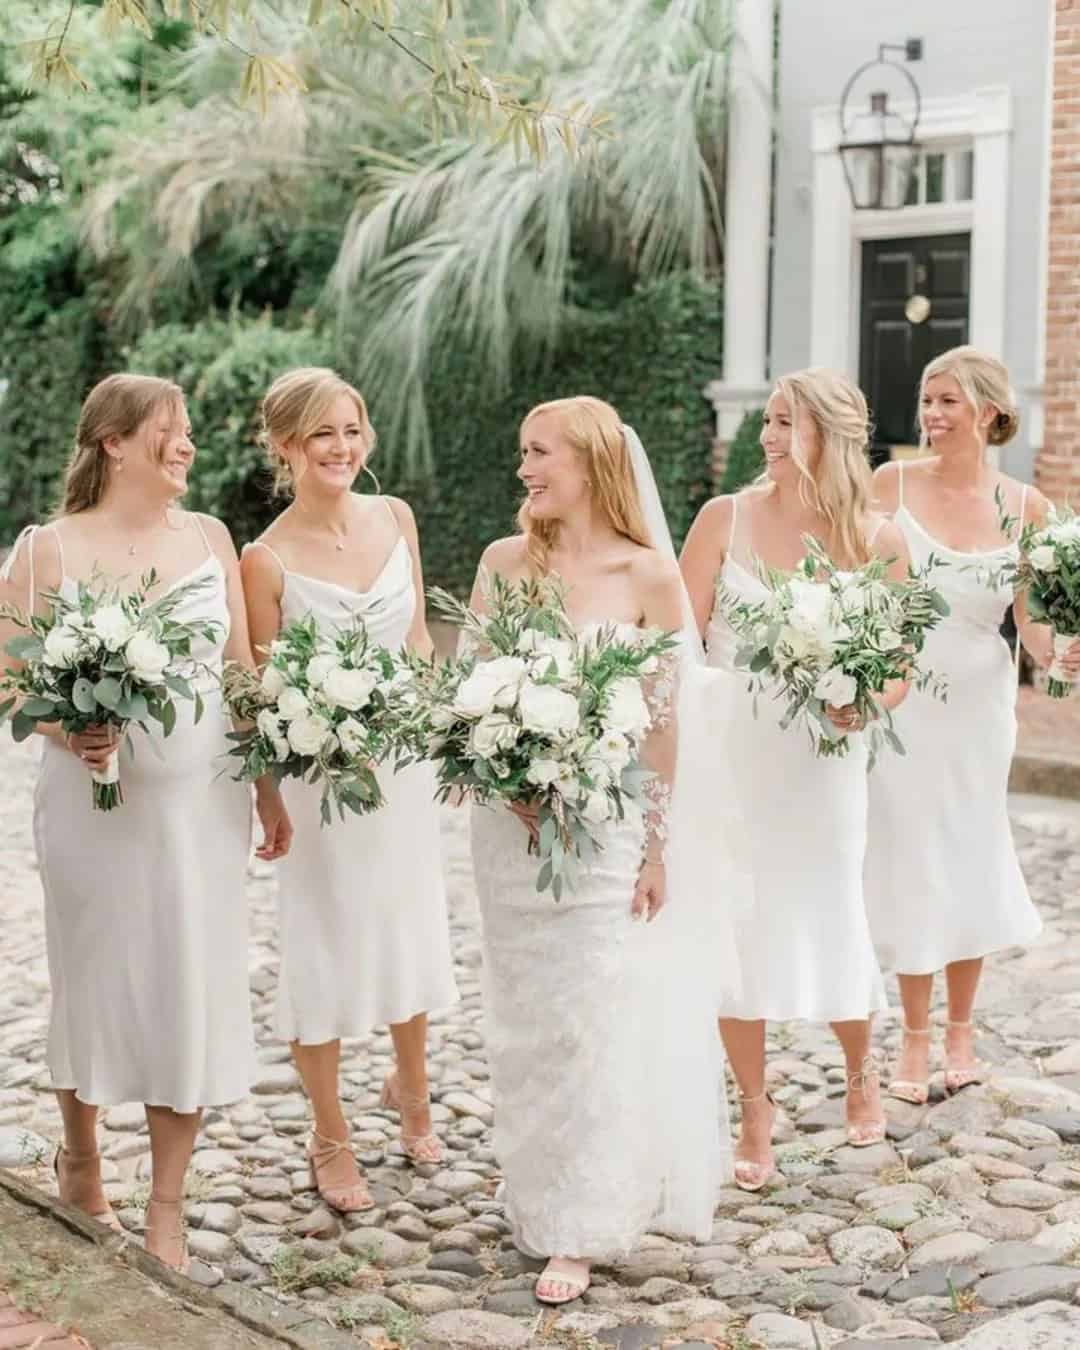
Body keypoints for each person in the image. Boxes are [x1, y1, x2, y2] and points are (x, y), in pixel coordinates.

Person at [0, 373, 291, 1271]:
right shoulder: (47, 552)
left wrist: (270, 788)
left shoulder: (210, 538)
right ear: (113, 442)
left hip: (201, 807)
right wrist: (67, 724)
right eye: (171, 427)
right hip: (92, 812)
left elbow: (241, 672)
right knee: (91, 974)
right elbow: (11, 683)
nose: (188, 442)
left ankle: (166, 1206)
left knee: (189, 984)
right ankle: (82, 1155)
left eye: (190, 428)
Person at [468, 395, 731, 1305]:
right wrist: (508, 780)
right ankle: (536, 1184)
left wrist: (655, 847)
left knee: (594, 1012)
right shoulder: (503, 565)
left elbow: (662, 728)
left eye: (539, 453)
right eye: (522, 453)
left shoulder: (650, 577)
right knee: (527, 1016)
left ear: (588, 463)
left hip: (609, 830)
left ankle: (582, 1220)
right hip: (513, 831)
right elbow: (470, 695)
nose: (525, 469)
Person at [681, 368, 908, 1189]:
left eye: (786, 423)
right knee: (737, 925)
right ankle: (754, 1107)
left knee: (831, 907)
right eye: (768, 422)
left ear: (831, 437)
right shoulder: (723, 519)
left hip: (823, 764)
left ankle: (860, 1072)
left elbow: (898, 665)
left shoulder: (877, 540)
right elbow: (677, 638)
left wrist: (866, 701)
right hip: (734, 759)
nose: (769, 437)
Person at [240, 367, 458, 1211]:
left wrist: (442, 729)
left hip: (399, 766)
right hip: (320, 777)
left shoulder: (395, 517)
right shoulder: (264, 559)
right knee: (324, 940)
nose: (341, 448)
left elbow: (416, 640)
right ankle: (329, 1133)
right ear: (287, 446)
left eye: (352, 430)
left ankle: (413, 1090)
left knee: (408, 923)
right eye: (322, 434)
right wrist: (268, 795)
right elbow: (257, 692)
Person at [866, 346, 1080, 1102]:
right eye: (927, 399)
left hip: (979, 709)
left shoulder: (1028, 508)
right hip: (902, 703)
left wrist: (1060, 659)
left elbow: (1029, 621)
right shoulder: (886, 485)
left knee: (970, 854)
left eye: (947, 401)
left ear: (989, 412)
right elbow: (853, 586)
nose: (930, 413)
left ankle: (961, 1031)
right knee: (912, 855)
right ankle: (914, 1037)